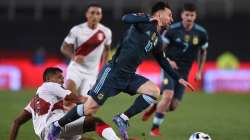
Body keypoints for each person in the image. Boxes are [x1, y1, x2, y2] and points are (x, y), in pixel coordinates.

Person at [48, 2, 194, 140]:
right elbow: (126, 18)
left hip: (129, 76)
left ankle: (122, 118)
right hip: (113, 72)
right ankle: (57, 125)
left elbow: (162, 60)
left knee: (154, 91)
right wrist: (149, 17)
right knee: (89, 108)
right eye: (169, 15)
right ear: (159, 14)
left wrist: (178, 78)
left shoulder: (157, 40)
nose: (171, 19)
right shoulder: (144, 23)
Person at [142, 3, 209, 136]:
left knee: (173, 106)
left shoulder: (201, 33)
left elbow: (203, 52)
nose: (189, 17)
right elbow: (160, 47)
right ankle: (154, 129)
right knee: (168, 95)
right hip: (169, 67)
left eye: (192, 15)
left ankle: (155, 107)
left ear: (195, 16)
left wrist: (200, 70)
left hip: (184, 71)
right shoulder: (172, 29)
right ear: (182, 15)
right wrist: (168, 60)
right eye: (186, 14)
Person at [9, 67, 120, 140]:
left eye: (63, 78)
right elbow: (73, 97)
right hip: (53, 127)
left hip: (47, 133)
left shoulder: (35, 101)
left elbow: (16, 122)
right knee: (96, 122)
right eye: (59, 77)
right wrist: (91, 99)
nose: (62, 81)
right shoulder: (50, 85)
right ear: (48, 79)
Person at [61, 3, 112, 96]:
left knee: (84, 104)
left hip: (92, 73)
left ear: (101, 16)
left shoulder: (106, 32)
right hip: (76, 69)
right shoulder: (77, 30)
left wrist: (104, 68)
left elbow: (107, 50)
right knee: (69, 96)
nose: (95, 16)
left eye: (98, 13)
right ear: (87, 14)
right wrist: (74, 57)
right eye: (92, 13)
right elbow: (64, 47)